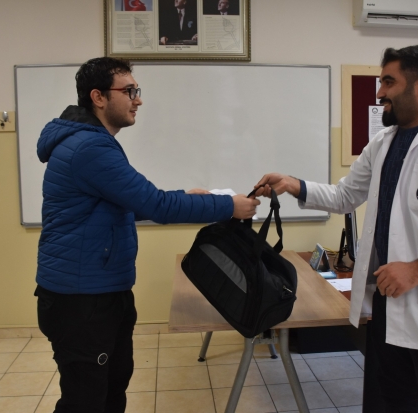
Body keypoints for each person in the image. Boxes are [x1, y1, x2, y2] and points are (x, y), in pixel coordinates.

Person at [254, 45, 418, 413]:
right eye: (381, 82)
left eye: (389, 82)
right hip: (388, 308)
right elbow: (345, 196)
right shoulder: (382, 143)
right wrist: (293, 184)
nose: (379, 92)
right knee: (393, 403)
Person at [35, 57, 259, 413]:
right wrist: (228, 206)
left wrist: (187, 197)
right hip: (81, 300)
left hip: (98, 291)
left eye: (136, 90)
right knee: (85, 401)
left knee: (112, 388)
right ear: (98, 97)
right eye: (129, 91)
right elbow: (157, 205)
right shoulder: (89, 148)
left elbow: (126, 203)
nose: (138, 99)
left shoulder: (90, 141)